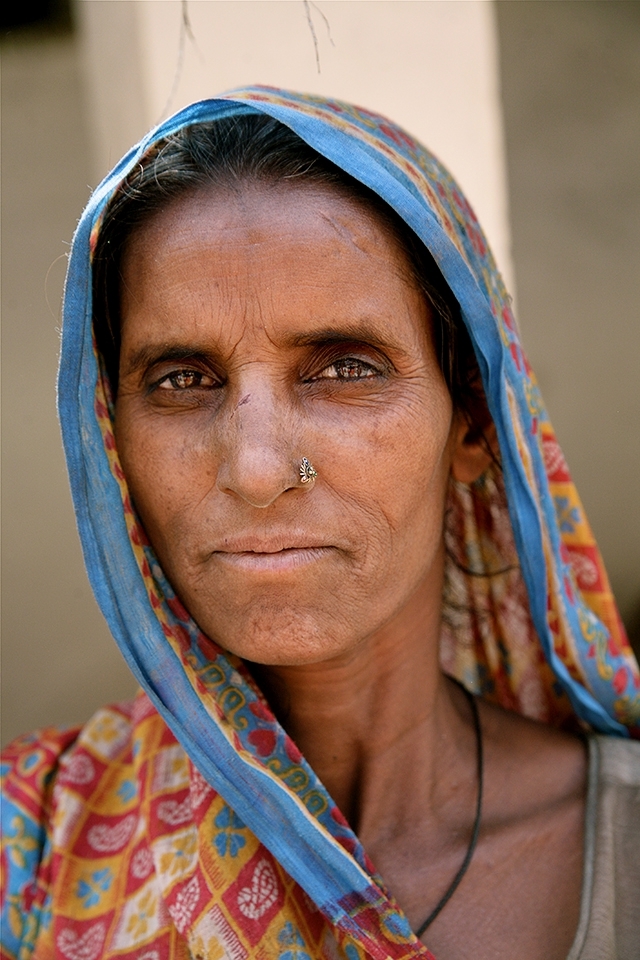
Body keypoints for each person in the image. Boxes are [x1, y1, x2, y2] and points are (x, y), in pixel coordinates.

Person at [1, 87, 639, 960]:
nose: (257, 470)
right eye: (183, 379)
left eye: (344, 367)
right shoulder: (30, 847)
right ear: (112, 440)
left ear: (475, 424)